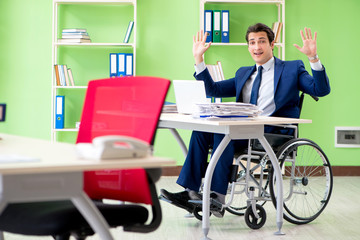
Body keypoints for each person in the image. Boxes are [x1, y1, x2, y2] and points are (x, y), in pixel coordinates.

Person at [160, 23, 330, 217]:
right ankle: (191, 191)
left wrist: (312, 58)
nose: (257, 47)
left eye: (261, 41)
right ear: (248, 46)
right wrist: (199, 59)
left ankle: (216, 197)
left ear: (272, 43)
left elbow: (320, 90)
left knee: (224, 136)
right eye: (252, 42)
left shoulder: (292, 69)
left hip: (272, 132)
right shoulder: (244, 73)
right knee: (201, 132)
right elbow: (212, 90)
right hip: (243, 130)